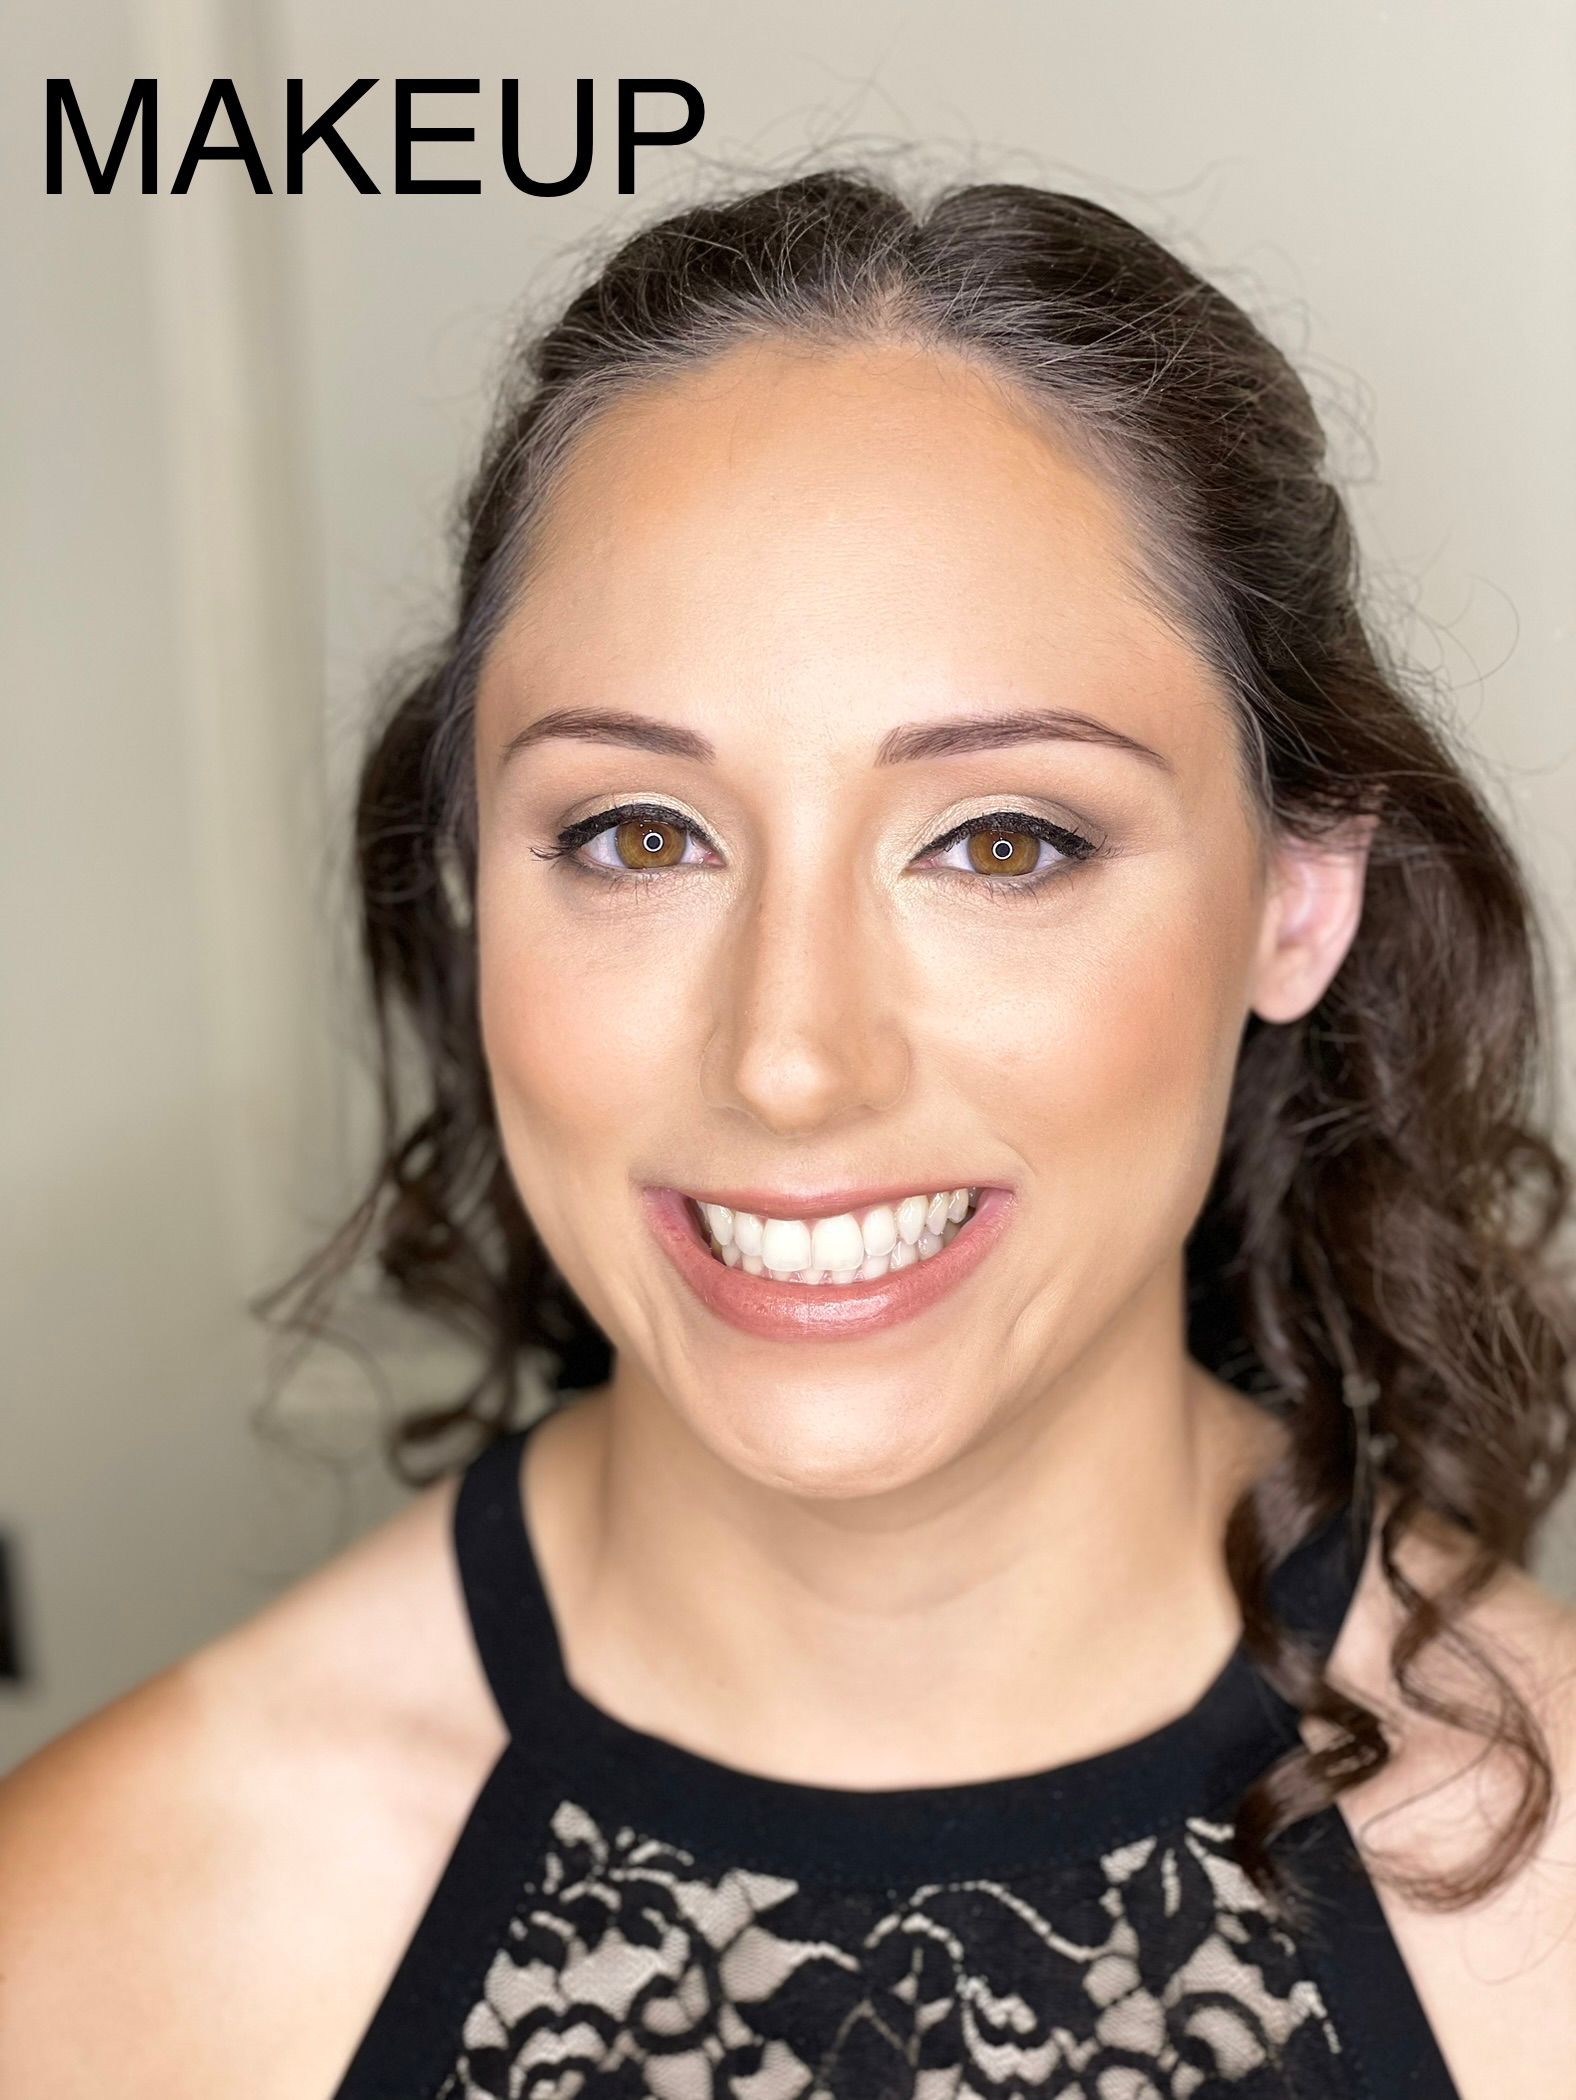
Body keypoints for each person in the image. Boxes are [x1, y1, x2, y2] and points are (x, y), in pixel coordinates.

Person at [2, 167, 1573, 2099]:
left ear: (1296, 896)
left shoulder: (1552, 1914)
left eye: (1004, 840)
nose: (792, 1058)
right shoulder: (103, 1937)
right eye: (639, 836)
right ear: (474, 885)